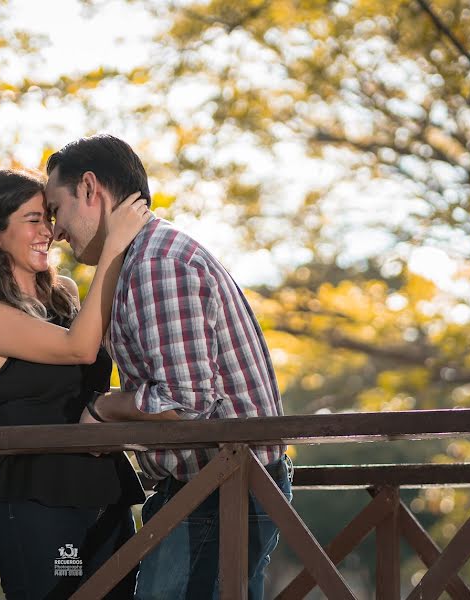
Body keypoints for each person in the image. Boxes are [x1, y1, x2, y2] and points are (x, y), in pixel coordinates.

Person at [44, 135, 292, 600]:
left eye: (57, 209)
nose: (55, 231)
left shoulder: (157, 264)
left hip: (221, 491)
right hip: (206, 489)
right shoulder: (140, 259)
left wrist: (107, 409)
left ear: (91, 188)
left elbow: (186, 404)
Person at [0, 169, 151, 599]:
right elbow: (80, 349)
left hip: (107, 494)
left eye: (50, 216)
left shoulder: (67, 294)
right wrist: (114, 244)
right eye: (33, 219)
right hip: (38, 503)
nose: (49, 232)